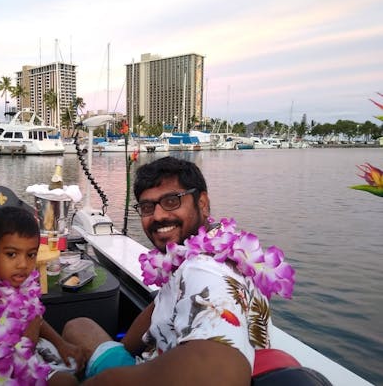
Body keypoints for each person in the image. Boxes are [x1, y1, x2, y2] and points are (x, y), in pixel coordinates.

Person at [62, 156, 296, 385]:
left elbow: (220, 373)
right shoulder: (214, 252)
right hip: (154, 361)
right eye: (147, 206)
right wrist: (125, 349)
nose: (158, 215)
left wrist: (108, 379)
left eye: (172, 201)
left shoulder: (205, 271)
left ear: (202, 204)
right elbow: (153, 315)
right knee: (78, 326)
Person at [0, 206, 84, 385]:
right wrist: (31, 334)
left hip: (32, 358)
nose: (23, 264)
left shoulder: (23, 285)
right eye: (11, 254)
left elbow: (35, 318)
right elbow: (9, 361)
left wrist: (61, 344)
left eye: (31, 255)